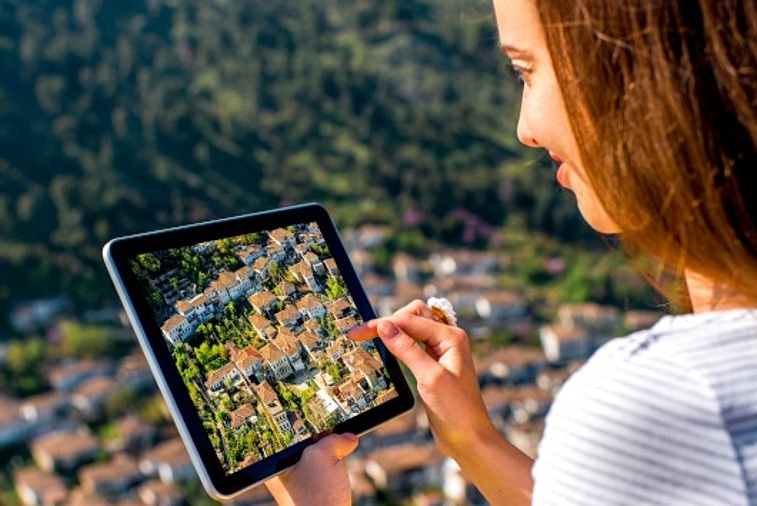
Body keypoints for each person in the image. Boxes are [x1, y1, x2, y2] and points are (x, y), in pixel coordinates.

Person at [266, 0, 757, 504]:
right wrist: (471, 439)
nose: (524, 129)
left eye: (526, 70)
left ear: (646, 74)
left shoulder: (661, 407)